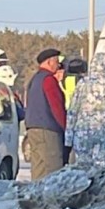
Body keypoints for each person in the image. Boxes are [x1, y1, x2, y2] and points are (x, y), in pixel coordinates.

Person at [66, 51, 105, 165]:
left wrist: (68, 138)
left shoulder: (81, 84)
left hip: (82, 134)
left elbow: (72, 112)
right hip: (104, 134)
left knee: (83, 169)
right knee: (100, 171)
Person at [25, 47, 67, 179]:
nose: (58, 65)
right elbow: (56, 107)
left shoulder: (34, 80)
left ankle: (35, 196)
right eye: (56, 61)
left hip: (33, 129)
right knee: (53, 169)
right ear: (49, 62)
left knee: (38, 169)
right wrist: (66, 128)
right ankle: (51, 198)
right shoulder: (49, 80)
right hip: (48, 130)